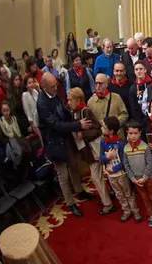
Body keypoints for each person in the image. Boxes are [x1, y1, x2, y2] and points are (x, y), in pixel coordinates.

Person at [37, 73, 94, 217]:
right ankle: (70, 203)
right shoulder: (42, 104)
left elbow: (64, 112)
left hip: (66, 138)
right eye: (52, 87)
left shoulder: (54, 94)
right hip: (55, 143)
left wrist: (75, 117)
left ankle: (79, 191)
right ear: (43, 87)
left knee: (74, 166)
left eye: (56, 85)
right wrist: (77, 125)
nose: (56, 88)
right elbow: (56, 124)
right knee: (63, 175)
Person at [67, 87, 115, 215]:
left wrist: (83, 135)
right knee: (98, 177)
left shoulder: (85, 111)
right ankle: (108, 199)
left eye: (70, 99)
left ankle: (108, 203)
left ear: (78, 99)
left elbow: (97, 130)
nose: (68, 102)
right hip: (88, 150)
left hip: (95, 148)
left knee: (101, 175)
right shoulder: (74, 113)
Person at [100, 116, 142, 223]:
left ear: (111, 131)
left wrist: (115, 168)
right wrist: (107, 157)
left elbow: (124, 160)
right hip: (110, 175)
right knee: (118, 194)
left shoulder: (121, 143)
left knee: (128, 193)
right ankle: (126, 210)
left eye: (103, 127)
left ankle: (135, 210)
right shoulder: (103, 142)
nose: (101, 128)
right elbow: (100, 157)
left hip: (121, 173)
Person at [123, 121, 152, 228]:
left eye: (135, 133)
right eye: (130, 133)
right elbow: (126, 165)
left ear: (140, 133)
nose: (133, 136)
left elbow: (150, 164)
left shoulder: (145, 146)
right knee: (144, 198)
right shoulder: (126, 148)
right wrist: (133, 179)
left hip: (148, 178)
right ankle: (151, 215)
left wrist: (144, 177)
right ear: (127, 133)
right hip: (136, 180)